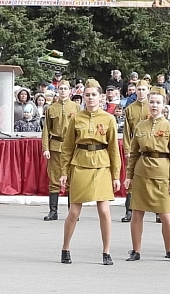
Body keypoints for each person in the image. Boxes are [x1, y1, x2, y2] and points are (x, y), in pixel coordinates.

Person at [59, 79, 121, 265]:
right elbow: (67, 147)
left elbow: (114, 150)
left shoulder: (109, 119)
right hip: (80, 164)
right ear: (83, 97)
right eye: (87, 95)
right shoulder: (76, 118)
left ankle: (106, 251)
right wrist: (64, 171)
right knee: (74, 210)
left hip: (102, 164)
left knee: (104, 210)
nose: (91, 98)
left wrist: (116, 175)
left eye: (94, 94)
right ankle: (65, 248)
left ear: (101, 97)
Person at [124, 88, 170, 262]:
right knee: (137, 213)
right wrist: (129, 175)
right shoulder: (141, 126)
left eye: (158, 102)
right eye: (152, 102)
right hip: (142, 173)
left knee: (166, 215)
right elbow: (133, 153)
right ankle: (136, 250)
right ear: (148, 104)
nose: (154, 105)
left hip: (162, 173)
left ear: (164, 105)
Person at [41, 80, 81, 221]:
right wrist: (45, 148)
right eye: (61, 88)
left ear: (70, 91)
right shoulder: (51, 108)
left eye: (65, 88)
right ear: (57, 90)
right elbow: (46, 129)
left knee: (72, 179)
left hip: (72, 147)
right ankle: (53, 211)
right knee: (54, 178)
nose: (63, 91)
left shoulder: (76, 107)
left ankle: (72, 212)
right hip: (56, 146)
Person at [121, 80, 151, 223]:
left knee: (152, 178)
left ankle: (158, 212)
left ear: (148, 91)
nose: (140, 92)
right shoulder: (129, 109)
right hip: (134, 148)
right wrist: (127, 150)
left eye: (143, 89)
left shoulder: (152, 107)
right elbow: (127, 133)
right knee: (131, 178)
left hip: (149, 148)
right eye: (138, 89)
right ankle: (129, 210)